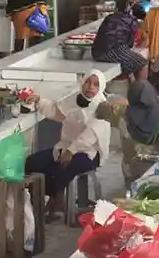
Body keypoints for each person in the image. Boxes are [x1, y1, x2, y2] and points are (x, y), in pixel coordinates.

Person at [24, 71, 111, 213]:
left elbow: (90, 135)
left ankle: (56, 199)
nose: (90, 87)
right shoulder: (74, 98)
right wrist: (39, 101)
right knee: (33, 162)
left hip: (89, 153)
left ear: (101, 88)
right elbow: (57, 111)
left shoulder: (102, 107)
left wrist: (71, 151)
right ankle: (36, 201)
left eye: (96, 85)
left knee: (64, 168)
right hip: (65, 147)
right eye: (88, 82)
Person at [91, 0, 147, 81]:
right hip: (110, 51)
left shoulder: (110, 17)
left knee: (129, 62)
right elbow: (129, 44)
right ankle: (140, 88)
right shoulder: (132, 22)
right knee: (142, 63)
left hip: (95, 51)